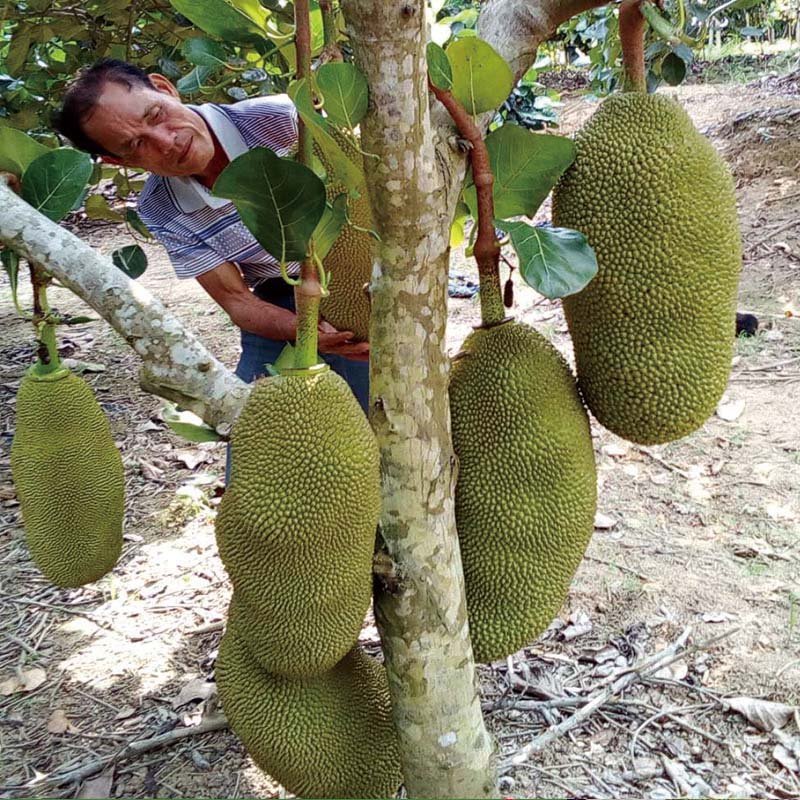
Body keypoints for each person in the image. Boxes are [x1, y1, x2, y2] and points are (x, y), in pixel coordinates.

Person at [52, 59, 370, 414]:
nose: (166, 142)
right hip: (279, 299)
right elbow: (237, 301)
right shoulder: (161, 207)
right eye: (136, 145)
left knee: (378, 408)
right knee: (256, 429)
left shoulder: (285, 121)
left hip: (365, 277)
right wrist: (306, 330)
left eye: (156, 115)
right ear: (119, 163)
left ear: (165, 88)